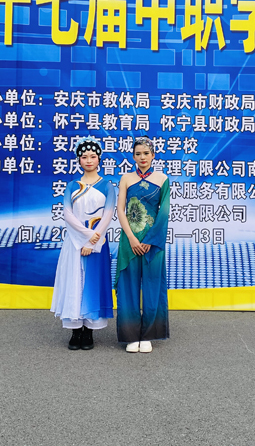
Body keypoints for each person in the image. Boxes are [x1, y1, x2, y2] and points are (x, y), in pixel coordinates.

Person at [50, 136, 116, 350]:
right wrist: (86, 237)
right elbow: (68, 214)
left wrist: (94, 241)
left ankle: (89, 331)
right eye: (84, 157)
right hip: (74, 242)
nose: (88, 160)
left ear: (99, 159)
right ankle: (75, 330)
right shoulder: (72, 185)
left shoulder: (107, 186)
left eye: (93, 156)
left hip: (98, 243)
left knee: (92, 283)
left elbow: (108, 214)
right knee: (74, 282)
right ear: (79, 160)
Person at [115, 135, 170, 353]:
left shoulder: (162, 179)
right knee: (127, 287)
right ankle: (130, 335)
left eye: (146, 153)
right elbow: (120, 209)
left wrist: (150, 240)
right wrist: (131, 237)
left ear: (153, 155)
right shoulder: (126, 178)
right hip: (129, 240)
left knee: (153, 285)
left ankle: (148, 335)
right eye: (138, 154)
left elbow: (163, 213)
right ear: (133, 156)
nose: (142, 157)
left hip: (152, 243)